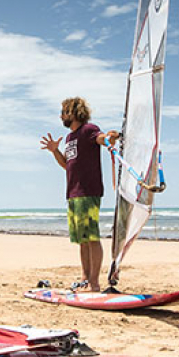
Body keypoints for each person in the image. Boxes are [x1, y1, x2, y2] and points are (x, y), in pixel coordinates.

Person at [39, 97, 118, 292]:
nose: (61, 116)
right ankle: (85, 279)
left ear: (74, 112)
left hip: (88, 191)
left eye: (64, 112)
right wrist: (54, 150)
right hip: (73, 193)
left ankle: (94, 283)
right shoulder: (69, 137)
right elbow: (66, 164)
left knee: (91, 237)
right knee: (82, 239)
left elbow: (101, 139)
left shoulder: (88, 130)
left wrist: (110, 138)